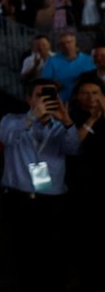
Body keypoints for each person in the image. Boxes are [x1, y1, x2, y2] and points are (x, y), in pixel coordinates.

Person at [0, 79, 79, 292]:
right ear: (28, 98)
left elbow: (73, 149)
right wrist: (32, 117)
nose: (46, 100)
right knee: (23, 254)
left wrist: (68, 121)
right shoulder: (12, 120)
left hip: (53, 200)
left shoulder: (61, 127)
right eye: (40, 95)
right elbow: (6, 137)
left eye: (51, 95)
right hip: (19, 199)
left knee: (55, 253)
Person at [65, 76, 105, 292]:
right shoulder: (70, 118)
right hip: (80, 190)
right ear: (77, 96)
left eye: (96, 93)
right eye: (86, 93)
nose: (91, 98)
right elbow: (71, 146)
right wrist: (91, 121)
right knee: (85, 243)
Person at [41, 30, 94, 103]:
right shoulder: (52, 61)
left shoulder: (89, 60)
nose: (66, 45)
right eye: (62, 43)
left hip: (85, 102)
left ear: (75, 42)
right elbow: (44, 81)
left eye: (69, 42)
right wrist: (54, 84)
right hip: (61, 102)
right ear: (59, 46)